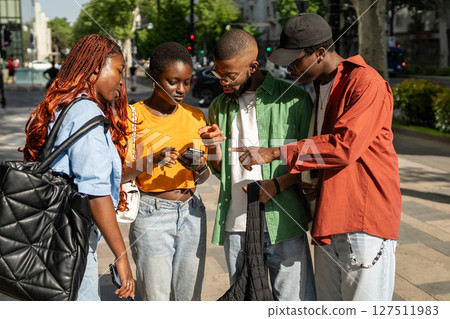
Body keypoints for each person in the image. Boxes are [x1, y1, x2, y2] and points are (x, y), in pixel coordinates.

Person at [231, 13, 402, 301]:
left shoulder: (366, 83)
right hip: (329, 219)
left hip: (363, 222)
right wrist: (313, 178)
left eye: (295, 61)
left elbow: (344, 146)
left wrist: (275, 153)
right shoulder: (321, 86)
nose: (291, 68)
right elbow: (325, 154)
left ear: (320, 52)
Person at [198, 29, 316, 301]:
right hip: (236, 225)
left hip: (284, 223)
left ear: (253, 67)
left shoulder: (294, 100)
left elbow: (312, 160)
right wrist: (212, 146)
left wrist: (278, 184)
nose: (223, 82)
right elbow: (220, 170)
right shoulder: (218, 106)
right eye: (218, 75)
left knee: (293, 304)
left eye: (230, 76)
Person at [22, 34, 135, 301]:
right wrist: (121, 256)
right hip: (72, 243)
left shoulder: (64, 104)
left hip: (51, 236)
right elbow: (95, 193)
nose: (122, 82)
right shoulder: (87, 114)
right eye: (119, 71)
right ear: (96, 67)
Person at [124, 42, 210, 301]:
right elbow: (120, 174)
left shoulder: (196, 116)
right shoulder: (132, 116)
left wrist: (199, 167)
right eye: (173, 82)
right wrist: (153, 159)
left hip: (192, 212)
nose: (181, 90)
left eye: (186, 82)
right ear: (153, 77)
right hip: (152, 214)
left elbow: (203, 177)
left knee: (190, 298)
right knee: (156, 299)